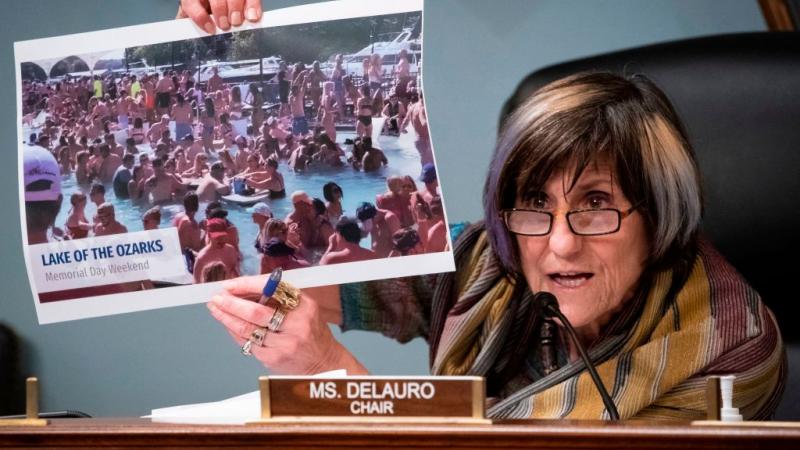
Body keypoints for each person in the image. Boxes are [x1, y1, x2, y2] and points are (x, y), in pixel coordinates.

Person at [208, 72, 784, 420]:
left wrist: (326, 369)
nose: (560, 244)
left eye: (595, 203)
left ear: (656, 216)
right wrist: (219, 38)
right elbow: (295, 285)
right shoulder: (484, 259)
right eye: (535, 202)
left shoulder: (730, 349)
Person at [193, 217, 240, 283]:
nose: (221, 240)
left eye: (223, 237)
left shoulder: (231, 251)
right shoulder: (202, 257)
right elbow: (197, 282)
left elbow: (236, 273)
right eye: (218, 237)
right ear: (209, 235)